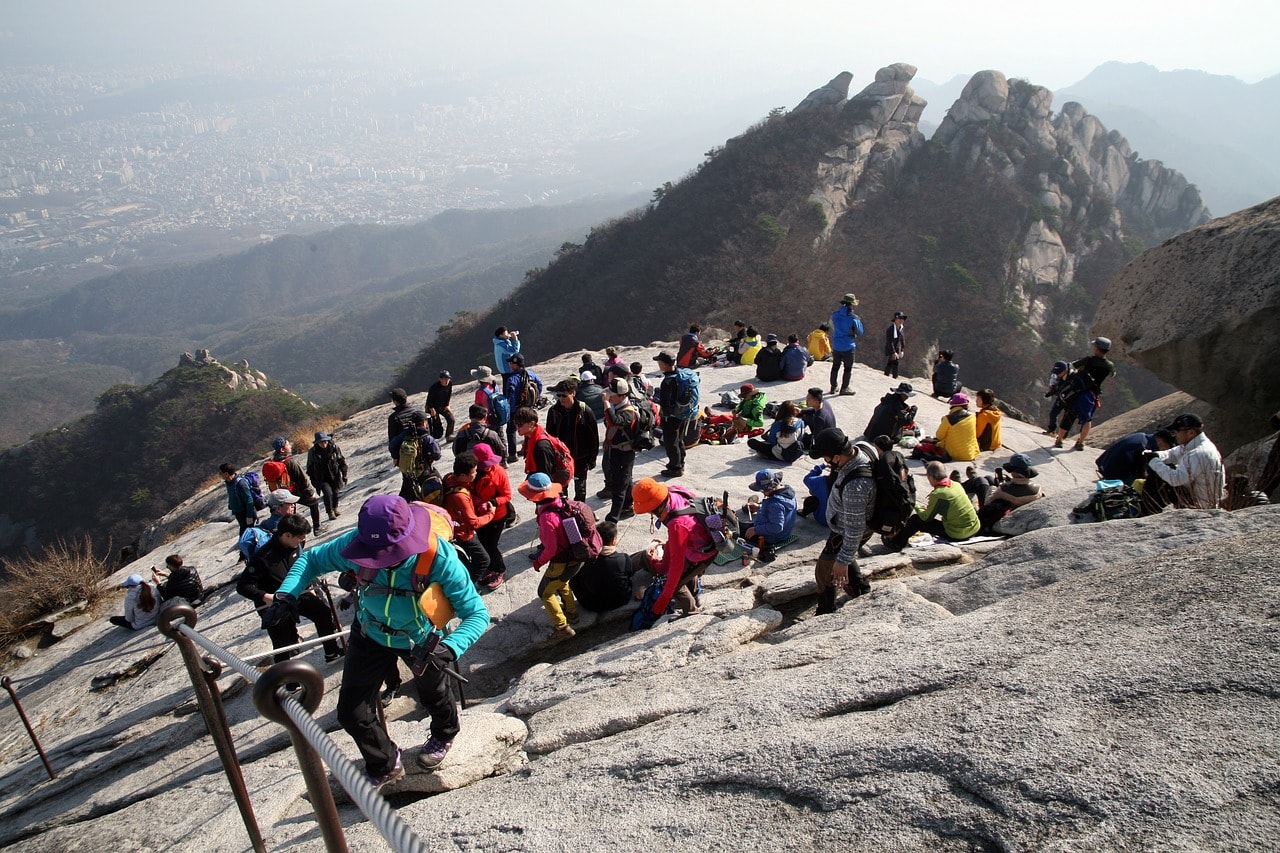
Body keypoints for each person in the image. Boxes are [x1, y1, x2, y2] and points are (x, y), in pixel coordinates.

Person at [265, 495, 489, 785]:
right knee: (350, 712)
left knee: (434, 694)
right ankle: (385, 762)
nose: (381, 559)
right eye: (375, 554)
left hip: (419, 639)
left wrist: (449, 648)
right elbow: (311, 559)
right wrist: (286, 593)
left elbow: (476, 613)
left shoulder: (438, 557)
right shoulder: (360, 542)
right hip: (370, 631)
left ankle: (445, 733)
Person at [237, 514, 344, 664]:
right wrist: (265, 596)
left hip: (298, 593)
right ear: (287, 535)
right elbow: (242, 586)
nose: (302, 540)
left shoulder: (295, 546)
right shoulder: (262, 558)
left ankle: (332, 652)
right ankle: (289, 682)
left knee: (323, 612)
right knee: (282, 642)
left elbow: (301, 568)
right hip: (274, 602)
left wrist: (308, 587)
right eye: (299, 537)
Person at [809, 428, 874, 614]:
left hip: (847, 530)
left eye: (825, 457)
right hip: (850, 525)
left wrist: (843, 561)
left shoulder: (856, 486)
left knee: (824, 570)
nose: (825, 461)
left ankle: (825, 610)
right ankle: (860, 587)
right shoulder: (863, 449)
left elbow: (855, 529)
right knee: (841, 556)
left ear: (836, 457)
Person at [630, 478, 717, 618]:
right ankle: (695, 598)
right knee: (688, 572)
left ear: (654, 507)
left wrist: (665, 596)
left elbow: (676, 566)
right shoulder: (674, 491)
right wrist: (669, 543)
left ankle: (691, 613)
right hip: (702, 542)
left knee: (674, 584)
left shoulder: (677, 526)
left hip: (701, 552)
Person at [521, 473, 584, 641]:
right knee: (562, 582)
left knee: (545, 592)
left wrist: (538, 562)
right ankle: (572, 613)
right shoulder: (561, 501)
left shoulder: (547, 517)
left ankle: (562, 627)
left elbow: (551, 548)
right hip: (575, 556)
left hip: (561, 560)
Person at [886, 461, 981, 550]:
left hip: (958, 534)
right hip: (975, 528)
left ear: (931, 477)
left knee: (916, 520)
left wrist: (914, 503)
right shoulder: (956, 484)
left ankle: (897, 543)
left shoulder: (938, 494)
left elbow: (926, 518)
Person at [1141, 413, 1226, 512]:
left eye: (1177, 431)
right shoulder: (1196, 444)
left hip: (1201, 506)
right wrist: (1156, 455)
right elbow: (1173, 454)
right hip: (1198, 497)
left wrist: (1153, 461)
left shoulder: (1199, 453)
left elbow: (1176, 480)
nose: (1175, 434)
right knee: (1163, 470)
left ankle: (1146, 511)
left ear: (1191, 432)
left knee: (1158, 478)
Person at [1054, 337, 1116, 451]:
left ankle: (1059, 440)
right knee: (1087, 419)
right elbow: (1113, 374)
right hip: (1093, 395)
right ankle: (1080, 443)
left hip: (1078, 392)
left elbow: (1070, 366)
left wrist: (1059, 378)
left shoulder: (1088, 360)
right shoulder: (1110, 365)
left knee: (1069, 415)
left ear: (1097, 348)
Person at [546, 378, 600, 502]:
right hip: (561, 458)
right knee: (561, 489)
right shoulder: (554, 411)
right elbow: (549, 436)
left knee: (580, 489)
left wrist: (592, 458)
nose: (561, 398)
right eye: (558, 395)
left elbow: (593, 437)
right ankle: (564, 512)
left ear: (573, 393)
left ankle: (580, 512)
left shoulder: (585, 410)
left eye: (564, 395)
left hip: (580, 457)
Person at [471, 443, 514, 589]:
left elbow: (507, 495)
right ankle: (491, 568)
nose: (488, 466)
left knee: (491, 545)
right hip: (479, 516)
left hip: (497, 515)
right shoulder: (472, 472)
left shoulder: (499, 472)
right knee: (482, 543)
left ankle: (500, 570)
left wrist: (492, 502)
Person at [569, 520, 635, 612]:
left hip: (590, 604)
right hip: (620, 601)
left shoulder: (587, 559)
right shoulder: (624, 558)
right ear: (613, 541)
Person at [264, 437, 323, 534]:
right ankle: (317, 528)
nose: (290, 446)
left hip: (280, 493)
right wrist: (310, 493)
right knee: (313, 503)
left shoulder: (273, 461)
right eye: (287, 444)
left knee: (288, 514)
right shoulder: (290, 462)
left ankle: (290, 534)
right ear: (282, 449)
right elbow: (302, 479)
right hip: (294, 491)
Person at [654, 351, 698, 478]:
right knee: (679, 439)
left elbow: (665, 403)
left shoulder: (668, 381)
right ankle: (680, 462)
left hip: (672, 416)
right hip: (684, 412)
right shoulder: (682, 374)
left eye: (659, 362)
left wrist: (664, 416)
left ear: (662, 364)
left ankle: (675, 468)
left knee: (671, 442)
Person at [600, 377, 639, 523]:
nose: (609, 396)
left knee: (619, 484)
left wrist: (605, 402)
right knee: (626, 480)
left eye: (612, 394)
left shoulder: (628, 412)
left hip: (624, 453)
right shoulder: (617, 406)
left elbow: (615, 422)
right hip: (616, 450)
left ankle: (613, 518)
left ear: (622, 396)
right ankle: (628, 505)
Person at [977, 454, 1043, 533]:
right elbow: (1020, 484)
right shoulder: (1038, 489)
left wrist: (995, 488)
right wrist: (1009, 481)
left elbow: (988, 502)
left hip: (1003, 516)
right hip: (1022, 514)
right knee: (989, 478)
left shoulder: (1003, 490)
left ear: (1013, 472)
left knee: (982, 481)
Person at [742, 469, 797, 563]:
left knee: (738, 527)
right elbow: (781, 512)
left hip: (770, 538)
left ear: (771, 488)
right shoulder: (789, 492)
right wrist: (760, 508)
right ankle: (753, 506)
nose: (763, 493)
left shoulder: (774, 504)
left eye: (763, 490)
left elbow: (777, 527)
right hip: (785, 534)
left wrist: (756, 530)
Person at [515, 405, 572, 487]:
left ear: (531, 424)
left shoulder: (541, 446)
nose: (517, 427)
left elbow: (545, 476)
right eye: (515, 423)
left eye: (520, 424)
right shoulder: (532, 437)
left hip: (549, 485)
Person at [504, 353, 544, 462]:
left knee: (511, 430)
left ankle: (512, 454)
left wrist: (510, 410)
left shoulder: (512, 379)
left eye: (511, 363)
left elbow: (510, 396)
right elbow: (539, 384)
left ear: (516, 365)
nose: (510, 365)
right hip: (529, 407)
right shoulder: (531, 374)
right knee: (529, 428)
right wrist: (536, 397)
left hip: (517, 409)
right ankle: (527, 448)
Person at [1097, 430, 1175, 485]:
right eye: (1168, 447)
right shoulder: (1144, 448)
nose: (1166, 450)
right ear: (1161, 440)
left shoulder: (1141, 436)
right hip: (1113, 477)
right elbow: (1140, 474)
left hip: (1104, 465)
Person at [397, 412, 442, 503]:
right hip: (425, 471)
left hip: (408, 472)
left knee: (406, 496)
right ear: (423, 423)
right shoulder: (426, 437)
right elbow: (437, 454)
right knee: (440, 487)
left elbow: (392, 446)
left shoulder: (404, 435)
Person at [306, 431, 348, 521]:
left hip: (335, 475)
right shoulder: (313, 452)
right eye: (321, 442)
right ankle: (330, 512)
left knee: (336, 493)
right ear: (317, 442)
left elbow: (341, 461)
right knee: (328, 494)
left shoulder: (334, 448)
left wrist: (344, 474)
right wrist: (313, 480)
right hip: (322, 478)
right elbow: (310, 467)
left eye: (325, 441)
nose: (324, 443)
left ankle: (335, 508)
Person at [829, 293, 863, 396]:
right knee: (847, 368)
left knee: (835, 366)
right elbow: (860, 332)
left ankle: (833, 386)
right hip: (848, 345)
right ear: (851, 305)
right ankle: (844, 388)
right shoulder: (854, 318)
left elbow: (831, 326)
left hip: (836, 345)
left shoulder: (835, 315)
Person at [935, 393, 980, 463]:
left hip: (954, 454)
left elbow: (939, 436)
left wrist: (943, 422)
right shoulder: (973, 416)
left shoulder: (948, 419)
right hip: (971, 453)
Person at [220, 463, 258, 541]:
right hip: (238, 513)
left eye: (221, 473)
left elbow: (249, 500)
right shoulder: (229, 483)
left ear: (226, 474)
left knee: (247, 537)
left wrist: (249, 516)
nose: (220, 475)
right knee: (245, 535)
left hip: (245, 514)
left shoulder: (240, 483)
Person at [386, 388, 424, 462]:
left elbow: (392, 440)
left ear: (395, 402)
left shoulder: (394, 417)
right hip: (423, 448)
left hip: (406, 452)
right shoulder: (418, 412)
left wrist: (395, 457)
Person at [425, 370, 456, 442]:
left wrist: (447, 405)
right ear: (440, 379)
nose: (447, 380)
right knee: (435, 425)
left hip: (442, 406)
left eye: (448, 378)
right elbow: (429, 400)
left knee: (451, 420)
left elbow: (449, 395)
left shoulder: (450, 384)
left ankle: (449, 436)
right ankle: (432, 441)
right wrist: (432, 409)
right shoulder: (434, 387)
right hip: (432, 407)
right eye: (445, 379)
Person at [1043, 361, 1071, 434]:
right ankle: (1052, 430)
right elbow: (1052, 385)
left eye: (1059, 373)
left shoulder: (1072, 376)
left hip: (1070, 397)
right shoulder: (1055, 375)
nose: (1057, 374)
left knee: (1068, 417)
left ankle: (1063, 435)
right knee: (1053, 413)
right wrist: (1052, 389)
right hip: (1061, 396)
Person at [884, 311, 907, 378]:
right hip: (891, 349)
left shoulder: (901, 329)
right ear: (895, 319)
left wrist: (902, 350)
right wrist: (893, 352)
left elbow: (902, 340)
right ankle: (893, 376)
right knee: (894, 363)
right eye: (899, 318)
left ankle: (889, 375)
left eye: (902, 319)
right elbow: (890, 341)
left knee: (892, 363)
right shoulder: (890, 329)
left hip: (898, 349)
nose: (901, 320)